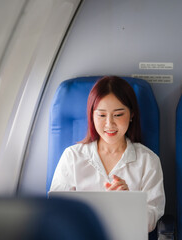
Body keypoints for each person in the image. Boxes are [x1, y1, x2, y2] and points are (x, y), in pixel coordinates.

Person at [50, 76, 165, 232]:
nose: (109, 124)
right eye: (102, 115)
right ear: (92, 115)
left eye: (118, 115)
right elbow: (58, 213)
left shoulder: (148, 161)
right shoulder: (72, 157)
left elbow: (150, 222)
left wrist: (128, 202)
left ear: (132, 114)